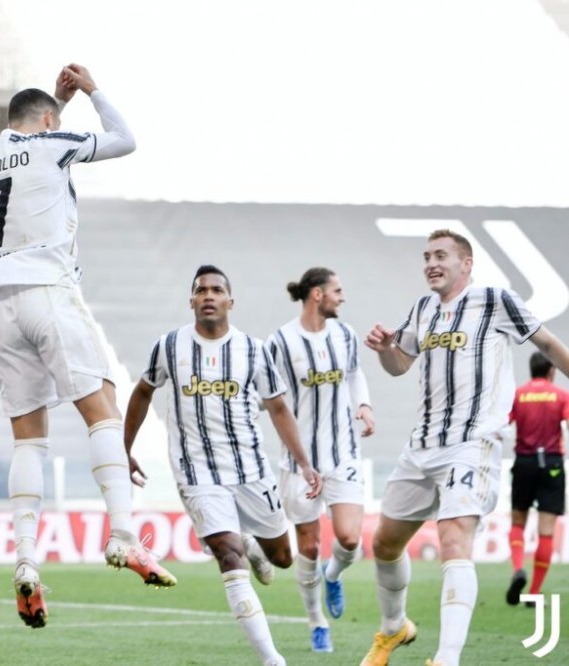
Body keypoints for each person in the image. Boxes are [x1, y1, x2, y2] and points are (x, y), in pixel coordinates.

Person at [0, 63, 176, 629]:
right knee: (102, 408)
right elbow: (124, 140)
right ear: (47, 122)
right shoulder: (52, 142)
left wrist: (58, 107)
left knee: (28, 439)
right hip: (48, 288)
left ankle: (25, 561)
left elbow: (30, 148)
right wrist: (90, 91)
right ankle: (124, 534)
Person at [361, 229, 569, 666]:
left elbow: (547, 344)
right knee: (384, 544)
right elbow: (400, 365)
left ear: (466, 263)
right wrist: (384, 350)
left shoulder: (495, 300)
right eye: (427, 257)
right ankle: (394, 627)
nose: (431, 264)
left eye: (441, 255)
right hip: (422, 446)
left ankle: (447, 658)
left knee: (454, 539)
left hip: (472, 444)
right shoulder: (423, 308)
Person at [124, 264, 322, 666]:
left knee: (283, 558)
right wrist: (123, 449)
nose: (209, 296)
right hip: (197, 473)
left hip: (251, 470)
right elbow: (143, 392)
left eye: (216, 290)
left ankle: (253, 544)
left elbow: (278, 407)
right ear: (191, 301)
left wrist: (304, 463)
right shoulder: (169, 347)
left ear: (231, 301)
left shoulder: (253, 350)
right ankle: (272, 659)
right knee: (227, 555)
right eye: (201, 291)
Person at [266, 268, 375, 654]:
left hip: (343, 454)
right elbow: (270, 398)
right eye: (337, 290)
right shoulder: (280, 342)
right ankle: (317, 623)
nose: (342, 297)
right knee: (309, 547)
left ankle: (333, 574)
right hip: (299, 463)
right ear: (317, 294)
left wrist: (364, 405)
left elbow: (355, 374)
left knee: (350, 539)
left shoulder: (345, 335)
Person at [505, 351, 568, 606]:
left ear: (531, 369)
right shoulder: (561, 395)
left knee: (518, 521)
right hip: (552, 464)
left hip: (524, 463)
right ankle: (534, 591)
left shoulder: (518, 395)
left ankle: (518, 568)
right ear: (551, 371)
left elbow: (502, 425)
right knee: (546, 531)